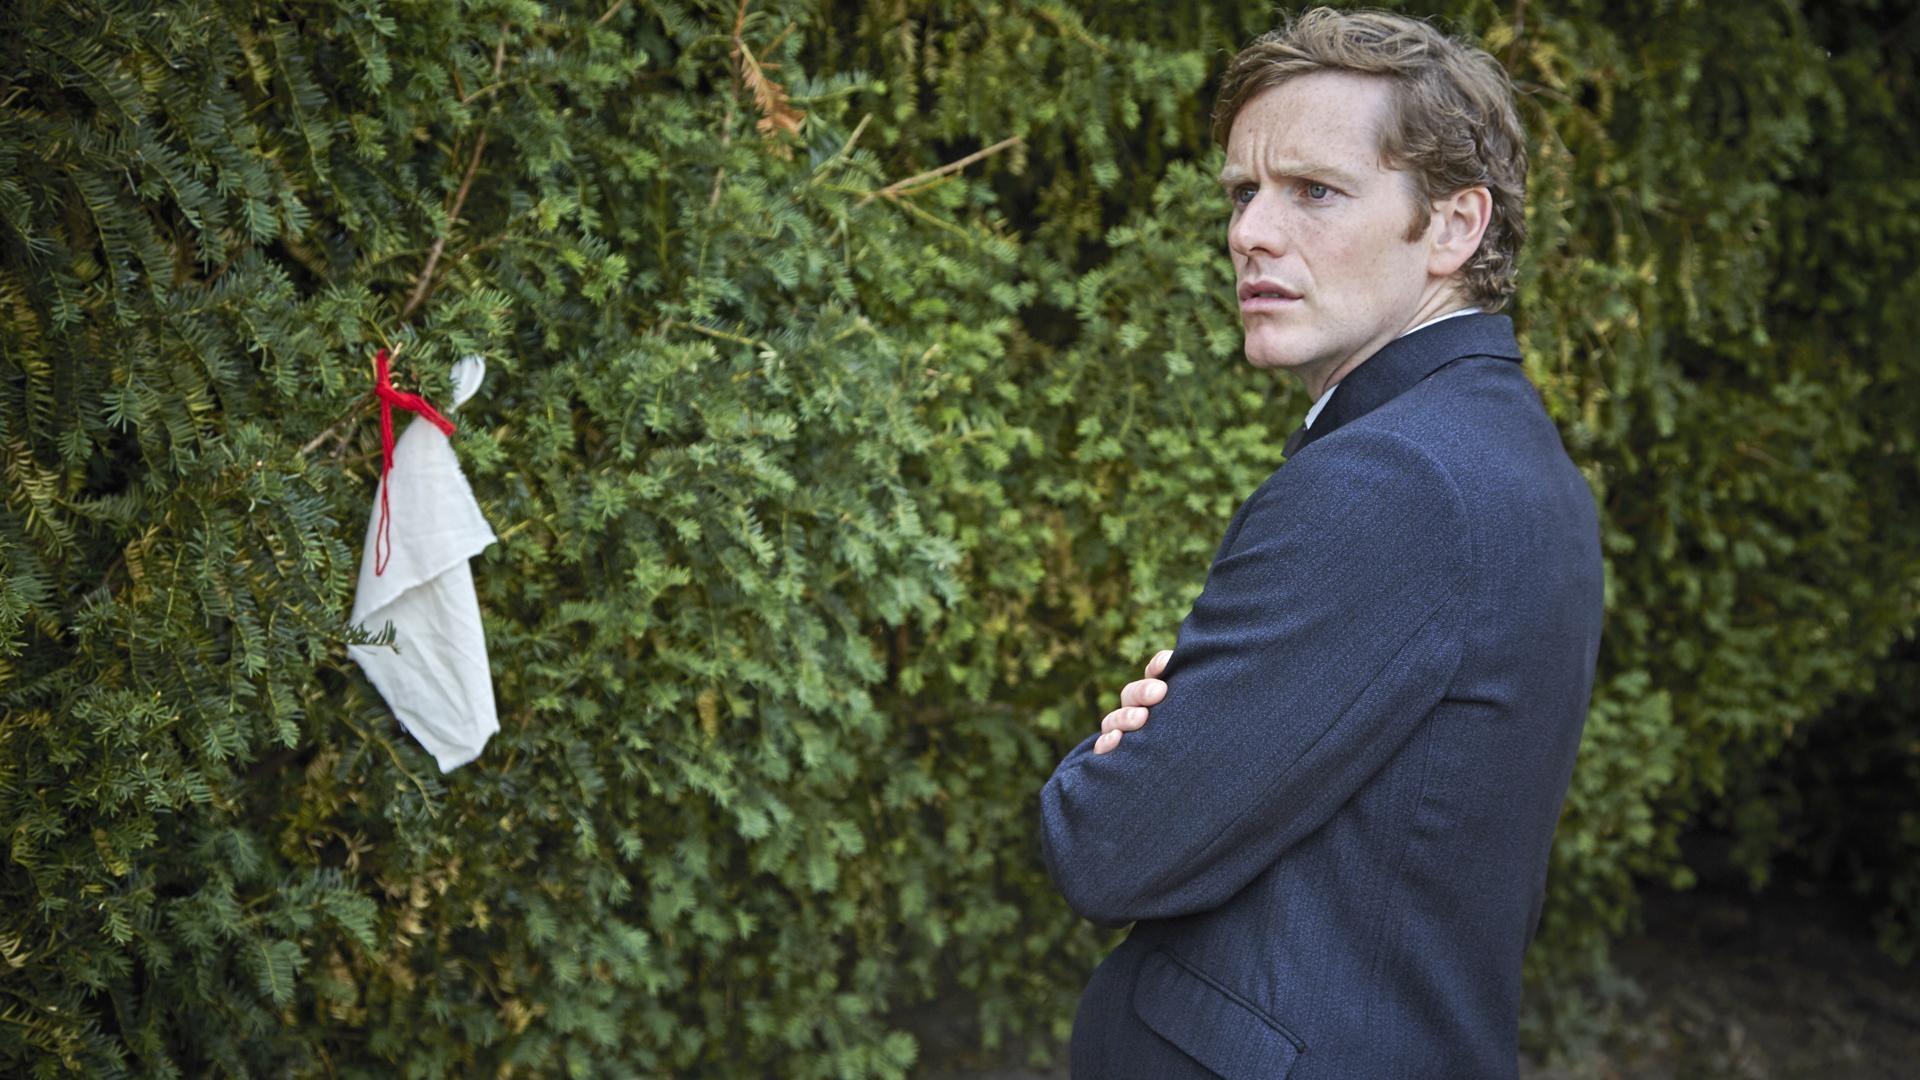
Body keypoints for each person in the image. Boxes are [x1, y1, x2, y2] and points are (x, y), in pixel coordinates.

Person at [1036, 8, 1604, 1078]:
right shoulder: (1511, 458)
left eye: (1315, 191)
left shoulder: (1395, 482)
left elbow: (1106, 848)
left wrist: (1114, 755)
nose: (1251, 231)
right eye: (1242, 193)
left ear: (1454, 226)